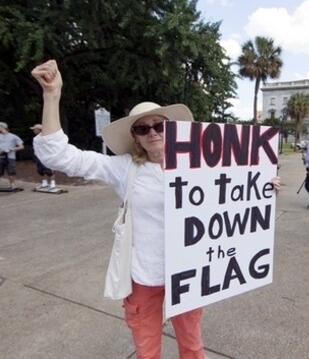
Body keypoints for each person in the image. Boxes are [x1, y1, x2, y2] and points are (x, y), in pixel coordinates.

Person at [31, 60, 282, 358]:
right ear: (135, 136)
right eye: (142, 128)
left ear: (172, 128)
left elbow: (237, 196)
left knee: (192, 347)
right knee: (147, 351)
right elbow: (59, 156)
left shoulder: (201, 168)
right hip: (145, 277)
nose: (152, 132)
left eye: (159, 125)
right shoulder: (123, 168)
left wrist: (262, 188)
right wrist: (52, 95)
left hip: (189, 275)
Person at [30, 124, 57, 189]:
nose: (34, 130)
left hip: (47, 156)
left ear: (39, 130)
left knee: (49, 170)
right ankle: (44, 183)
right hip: (39, 156)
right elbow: (35, 147)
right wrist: (36, 152)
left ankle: (53, 183)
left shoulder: (47, 137)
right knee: (41, 170)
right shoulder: (35, 138)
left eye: (35, 129)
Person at [0, 122, 25, 190]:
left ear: (3, 127)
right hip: (0, 156)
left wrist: (12, 149)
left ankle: (12, 185)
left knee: (11, 171)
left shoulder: (13, 136)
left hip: (10, 156)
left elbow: (21, 146)